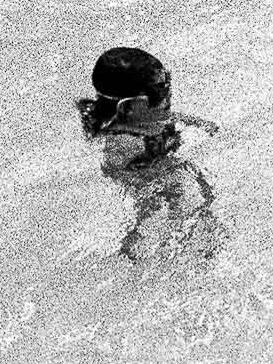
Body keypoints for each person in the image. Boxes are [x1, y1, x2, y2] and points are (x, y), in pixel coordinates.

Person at [76, 46, 225, 260]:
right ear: (129, 107)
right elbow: (132, 183)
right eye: (159, 92)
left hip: (154, 158)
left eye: (168, 83)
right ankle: (132, 257)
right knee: (157, 207)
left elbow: (171, 117)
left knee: (194, 198)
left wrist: (205, 127)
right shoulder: (124, 145)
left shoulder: (145, 118)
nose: (168, 94)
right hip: (140, 174)